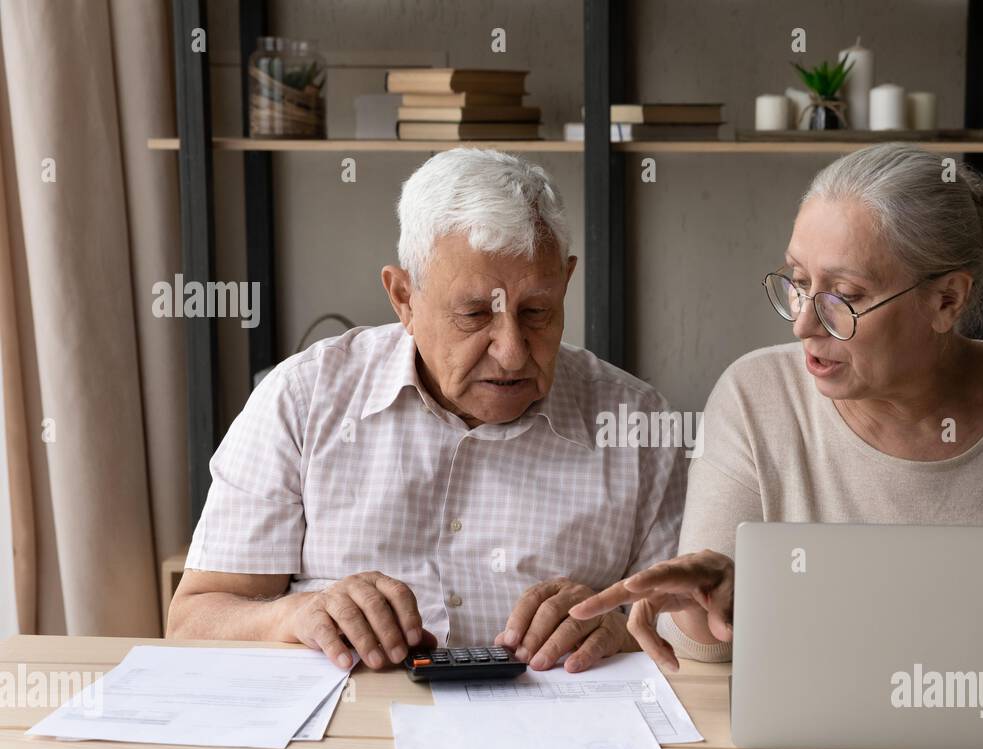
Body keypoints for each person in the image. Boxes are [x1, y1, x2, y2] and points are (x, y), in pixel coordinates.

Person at [573, 143, 983, 682]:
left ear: (947, 300)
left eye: (844, 295)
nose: (805, 322)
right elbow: (709, 653)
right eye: (798, 282)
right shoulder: (757, 397)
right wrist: (710, 606)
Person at [168, 149, 685, 674]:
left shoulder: (637, 428)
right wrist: (292, 616)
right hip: (345, 739)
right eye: (474, 313)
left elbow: (696, 631)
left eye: (536, 312)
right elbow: (193, 620)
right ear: (403, 298)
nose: (511, 351)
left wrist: (621, 630)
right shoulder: (303, 400)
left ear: (566, 284)